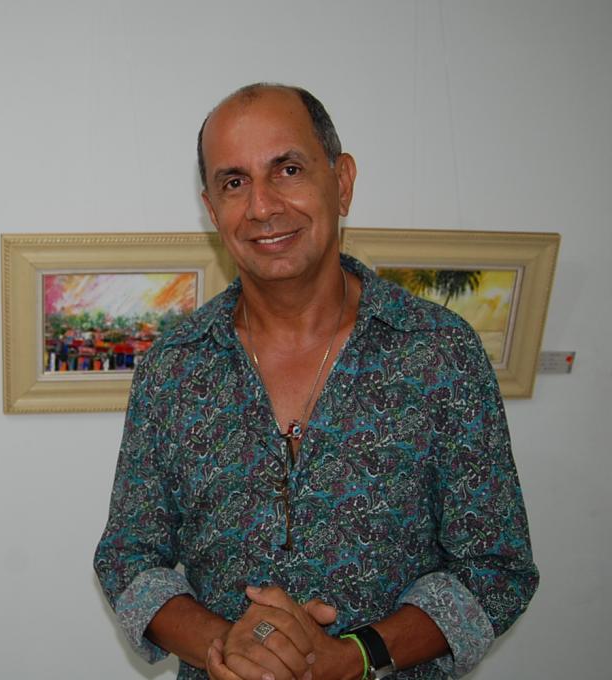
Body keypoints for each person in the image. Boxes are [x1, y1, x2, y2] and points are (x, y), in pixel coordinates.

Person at [93, 83, 537, 680]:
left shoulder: (439, 353)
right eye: (234, 182)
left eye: (288, 169)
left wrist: (356, 654)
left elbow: (497, 571)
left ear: (342, 181)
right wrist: (228, 647)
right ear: (212, 209)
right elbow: (128, 560)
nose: (262, 206)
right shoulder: (172, 367)